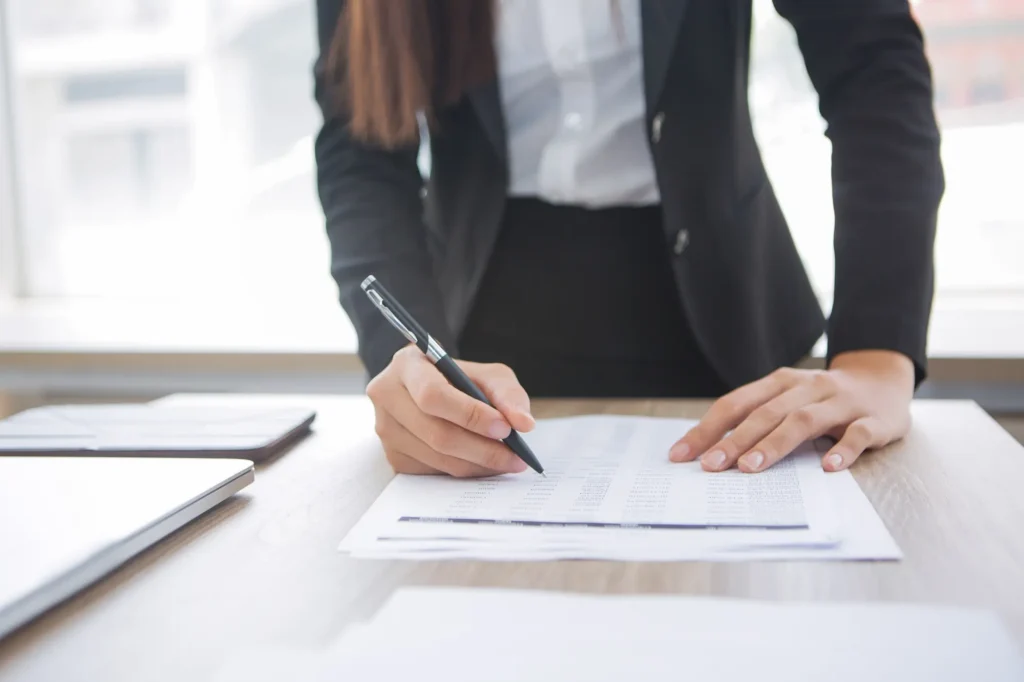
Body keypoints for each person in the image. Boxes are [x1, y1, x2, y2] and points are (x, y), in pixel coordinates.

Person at [313, 0, 943, 478]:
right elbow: (361, 151)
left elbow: (874, 76)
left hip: (721, 331)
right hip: (475, 343)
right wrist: (405, 362)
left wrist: (874, 355)